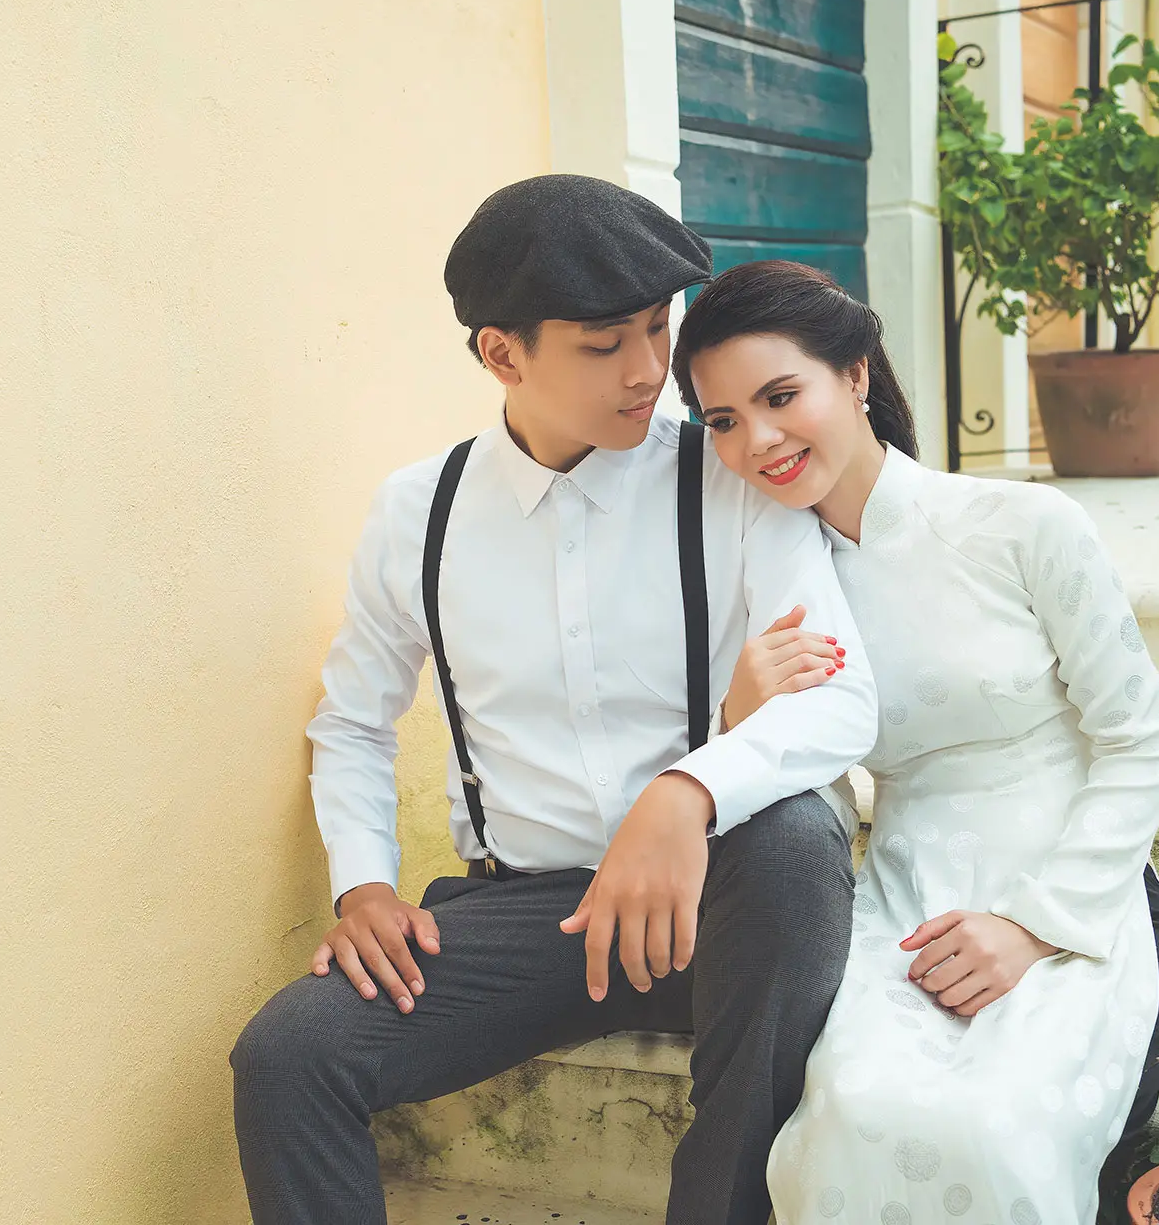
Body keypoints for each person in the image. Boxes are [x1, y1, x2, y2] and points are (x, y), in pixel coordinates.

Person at [229, 175, 882, 1225]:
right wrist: (364, 887)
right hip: (531, 914)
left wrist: (685, 793)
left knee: (798, 841)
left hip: (713, 897)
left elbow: (839, 700)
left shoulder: (727, 474)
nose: (648, 368)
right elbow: (350, 721)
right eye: (603, 343)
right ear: (502, 354)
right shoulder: (419, 512)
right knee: (288, 1054)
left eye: (657, 326)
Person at [672, 259, 1159, 1225]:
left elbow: (1138, 743)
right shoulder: (780, 586)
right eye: (725, 421)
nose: (758, 441)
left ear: (856, 374)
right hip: (908, 901)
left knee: (990, 1127)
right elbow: (803, 794)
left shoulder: (1023, 524)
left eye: (781, 397)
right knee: (852, 1110)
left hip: (1075, 890)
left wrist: (1033, 925)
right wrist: (741, 717)